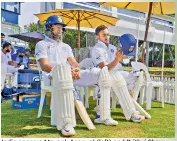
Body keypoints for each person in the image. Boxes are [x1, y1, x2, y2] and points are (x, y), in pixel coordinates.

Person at [35, 15, 105, 136]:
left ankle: (104, 114)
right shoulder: (41, 44)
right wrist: (67, 71)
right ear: (48, 27)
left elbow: (73, 62)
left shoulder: (65, 46)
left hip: (69, 75)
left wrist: (77, 69)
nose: (60, 30)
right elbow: (44, 65)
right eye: (57, 27)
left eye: (61, 27)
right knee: (63, 73)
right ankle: (66, 123)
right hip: (51, 77)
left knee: (101, 73)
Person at [91, 25, 145, 124]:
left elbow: (123, 59)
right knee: (116, 77)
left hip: (114, 73)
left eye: (108, 34)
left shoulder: (112, 47)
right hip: (101, 76)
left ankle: (132, 113)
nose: (107, 37)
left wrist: (130, 53)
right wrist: (117, 59)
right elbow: (105, 68)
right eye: (104, 35)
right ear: (97, 36)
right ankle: (103, 115)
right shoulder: (97, 49)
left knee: (121, 81)